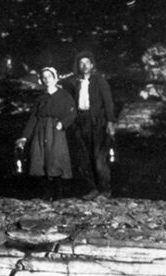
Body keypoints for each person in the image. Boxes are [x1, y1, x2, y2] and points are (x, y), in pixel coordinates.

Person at [61, 51, 116, 200]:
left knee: (99, 158)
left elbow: (108, 102)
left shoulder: (100, 81)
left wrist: (110, 122)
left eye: (87, 63)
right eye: (81, 63)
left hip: (97, 122)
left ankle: (105, 190)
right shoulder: (75, 82)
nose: (84, 66)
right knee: (84, 158)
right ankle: (93, 188)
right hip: (81, 121)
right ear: (78, 66)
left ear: (92, 65)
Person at [15, 67, 76, 200]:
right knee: (41, 159)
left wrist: (63, 123)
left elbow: (72, 112)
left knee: (55, 159)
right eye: (44, 77)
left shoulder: (64, 95)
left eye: (50, 76)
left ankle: (58, 195)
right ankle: (46, 194)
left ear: (55, 78)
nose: (47, 79)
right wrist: (25, 137)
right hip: (40, 130)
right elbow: (33, 118)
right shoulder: (40, 98)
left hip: (55, 130)